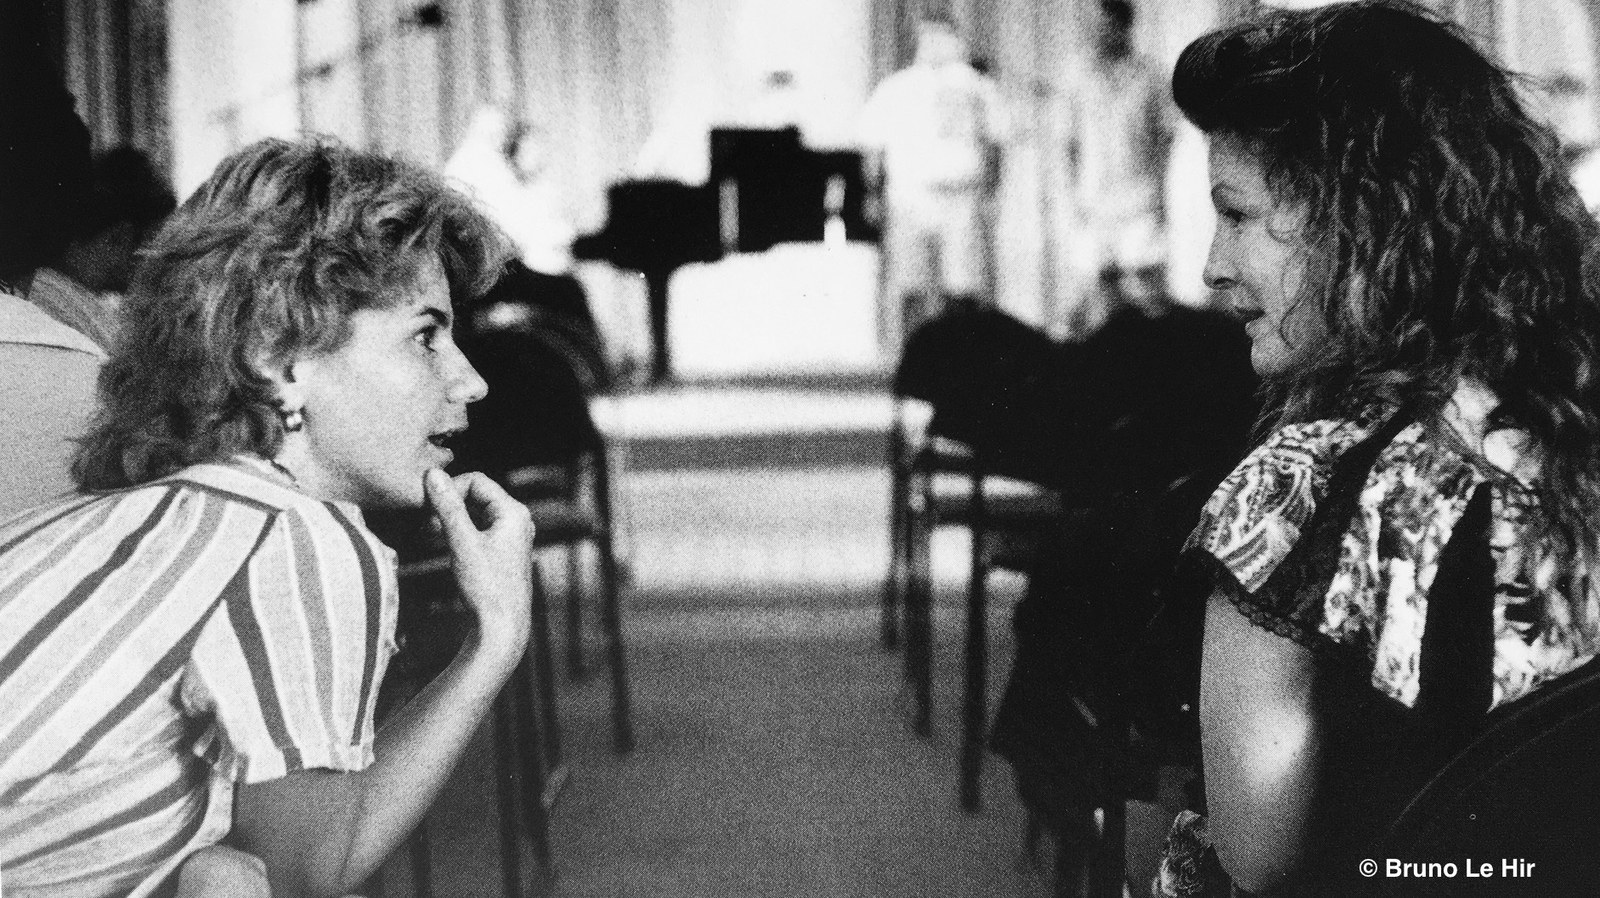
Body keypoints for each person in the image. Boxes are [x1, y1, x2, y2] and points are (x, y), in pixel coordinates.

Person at [0, 138, 532, 898]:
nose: (470, 381)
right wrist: (496, 638)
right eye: (425, 335)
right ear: (279, 359)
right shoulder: (291, 537)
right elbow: (312, 871)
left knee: (222, 877)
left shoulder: (178, 517)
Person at [1157, 2, 1600, 894]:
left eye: (1237, 215)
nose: (1212, 265)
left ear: (1363, 221)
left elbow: (1261, 859)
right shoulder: (1574, 430)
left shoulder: (1292, 494)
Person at [860, 14, 1007, 350]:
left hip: (961, 196)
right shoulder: (896, 88)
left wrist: (991, 192)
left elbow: (996, 141)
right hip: (910, 197)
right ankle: (913, 359)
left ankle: (965, 359)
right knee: (910, 284)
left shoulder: (977, 87)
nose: (937, 45)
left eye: (944, 36)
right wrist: (872, 193)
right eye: (930, 37)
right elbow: (873, 145)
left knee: (963, 286)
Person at [1047, 0, 1173, 340]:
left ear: (1123, 26)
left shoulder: (1152, 75)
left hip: (1140, 199)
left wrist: (1159, 191)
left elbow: (1165, 139)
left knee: (1146, 292)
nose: (1098, 33)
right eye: (1094, 25)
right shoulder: (1075, 76)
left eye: (1106, 25)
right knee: (1096, 293)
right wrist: (1074, 199)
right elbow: (1067, 144)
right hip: (1093, 203)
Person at [27, 146, 177, 351]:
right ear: (118, 238)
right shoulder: (59, 307)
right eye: (157, 243)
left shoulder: (65, 297)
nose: (162, 262)